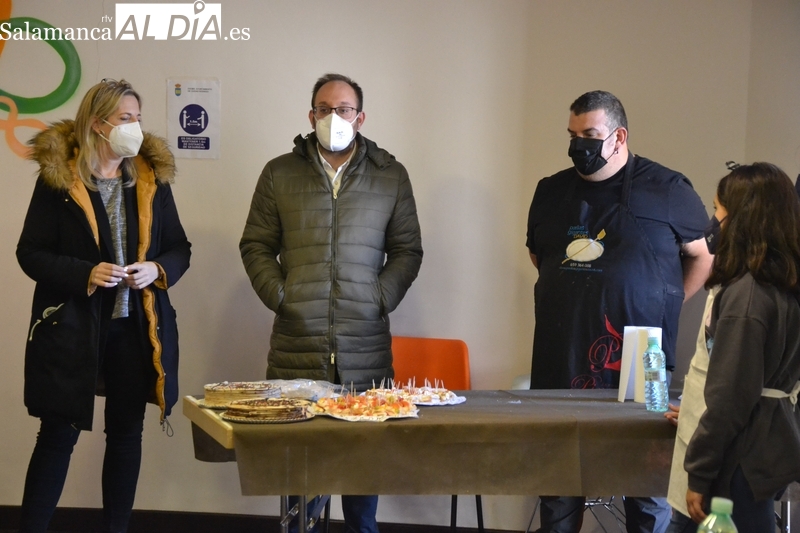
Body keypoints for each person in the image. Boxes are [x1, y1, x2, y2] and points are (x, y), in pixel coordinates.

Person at [240, 73, 423, 533]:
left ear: (360, 117)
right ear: (311, 115)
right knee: (299, 479)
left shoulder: (390, 175)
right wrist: (284, 298)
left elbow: (407, 250)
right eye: (324, 108)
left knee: (362, 476)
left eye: (344, 109)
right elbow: (256, 245)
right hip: (297, 345)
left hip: (365, 347)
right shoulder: (279, 173)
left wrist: (379, 298)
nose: (334, 117)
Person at [525, 90, 713, 533]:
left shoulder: (669, 189)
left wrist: (665, 302)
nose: (579, 146)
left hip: (645, 357)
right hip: (561, 352)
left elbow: (703, 257)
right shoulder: (550, 191)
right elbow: (539, 256)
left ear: (619, 137)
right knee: (559, 481)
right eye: (572, 135)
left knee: (647, 478)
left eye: (590, 135)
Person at [16, 78, 191, 533]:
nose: (135, 127)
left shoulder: (150, 179)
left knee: (126, 435)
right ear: (98, 124)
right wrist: (84, 273)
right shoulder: (59, 180)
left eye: (138, 118)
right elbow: (30, 253)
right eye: (125, 118)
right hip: (73, 330)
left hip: (134, 329)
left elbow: (180, 248)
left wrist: (156, 269)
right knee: (58, 436)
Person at [665, 163, 800, 533]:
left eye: (717, 210)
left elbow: (731, 397)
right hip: (760, 450)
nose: (712, 222)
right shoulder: (779, 284)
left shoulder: (747, 297)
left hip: (736, 461)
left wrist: (700, 471)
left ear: (743, 220)